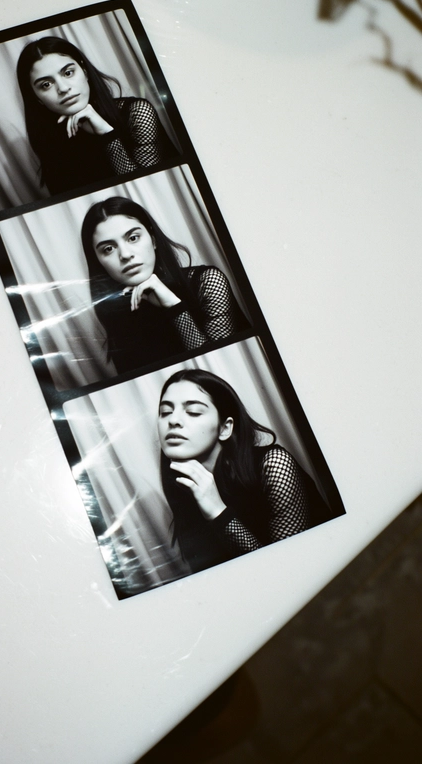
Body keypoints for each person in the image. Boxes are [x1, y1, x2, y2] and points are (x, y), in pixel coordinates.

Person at [158, 369, 329, 573]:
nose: (173, 421)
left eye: (193, 411)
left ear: (225, 429)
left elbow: (287, 569)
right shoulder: (180, 480)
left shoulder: (274, 464)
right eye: (165, 412)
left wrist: (217, 512)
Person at [81, 197, 249, 374]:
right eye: (108, 249)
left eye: (133, 238)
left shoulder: (206, 282)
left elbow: (220, 369)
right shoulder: (116, 312)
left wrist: (173, 305)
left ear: (153, 240)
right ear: (99, 262)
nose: (125, 254)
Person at [16, 36, 177, 194]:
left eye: (68, 73)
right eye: (46, 84)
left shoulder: (136, 112)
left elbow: (148, 189)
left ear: (85, 72)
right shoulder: (50, 140)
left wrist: (106, 133)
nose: (63, 88)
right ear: (37, 98)